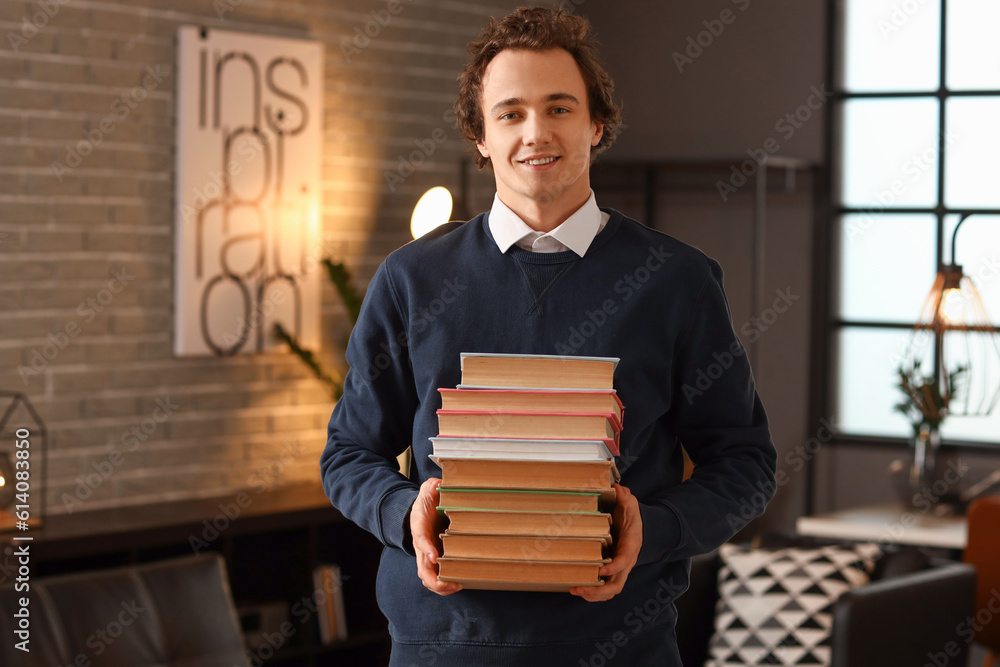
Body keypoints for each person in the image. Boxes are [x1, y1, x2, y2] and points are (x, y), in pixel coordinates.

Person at [320, 7, 777, 666]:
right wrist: (402, 509)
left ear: (596, 123)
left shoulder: (677, 281)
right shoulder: (410, 280)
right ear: (480, 134)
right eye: (510, 113)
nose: (536, 132)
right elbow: (348, 454)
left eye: (559, 108)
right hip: (441, 650)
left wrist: (655, 527)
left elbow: (746, 462)